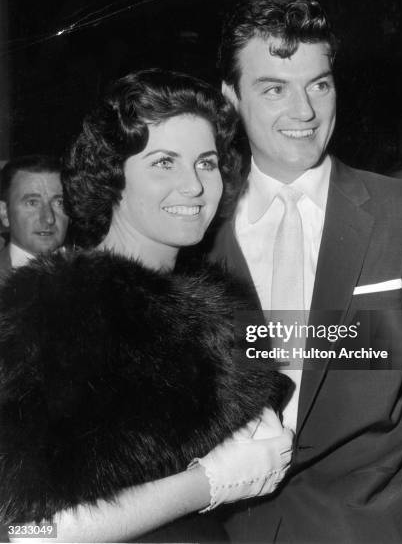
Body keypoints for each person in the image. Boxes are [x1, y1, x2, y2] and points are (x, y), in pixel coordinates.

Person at [206, 0, 402, 543]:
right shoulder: (197, 229)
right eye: (273, 89)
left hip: (374, 524)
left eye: (319, 84)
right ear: (231, 99)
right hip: (223, 529)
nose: (304, 111)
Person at [0, 70, 293, 543]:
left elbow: (356, 343)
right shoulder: (55, 310)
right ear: (113, 176)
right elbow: (22, 532)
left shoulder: (210, 301)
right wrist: (205, 484)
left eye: (206, 163)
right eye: (163, 163)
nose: (195, 186)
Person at [0, 155, 69, 279]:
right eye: (32, 203)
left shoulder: (96, 277)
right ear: (4, 212)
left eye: (59, 203)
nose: (49, 219)